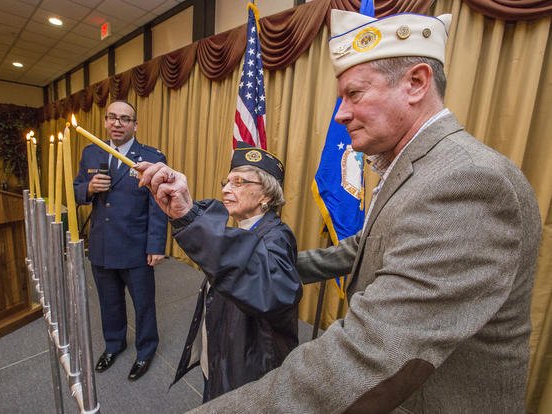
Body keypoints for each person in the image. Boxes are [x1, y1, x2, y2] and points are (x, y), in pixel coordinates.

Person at [181, 10, 542, 413]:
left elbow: (368, 354)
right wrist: (276, 269)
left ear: (416, 83)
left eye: (354, 94)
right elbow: (364, 246)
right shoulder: (419, 165)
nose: (341, 114)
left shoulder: (465, 181)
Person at [136, 142, 302, 402]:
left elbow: (267, 289)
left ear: (266, 196)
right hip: (222, 359)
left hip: (247, 373)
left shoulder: (277, 238)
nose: (225, 189)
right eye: (227, 181)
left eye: (239, 182)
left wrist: (189, 215)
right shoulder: (243, 228)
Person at [73, 100, 167, 381]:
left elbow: (158, 205)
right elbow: (76, 188)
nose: (117, 123)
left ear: (135, 125)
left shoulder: (151, 157)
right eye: (112, 118)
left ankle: (146, 350)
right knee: (109, 302)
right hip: (102, 245)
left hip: (135, 247)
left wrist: (156, 246)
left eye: (125, 119)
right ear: (105, 122)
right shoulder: (91, 153)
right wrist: (88, 189)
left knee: (144, 303)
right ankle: (114, 344)